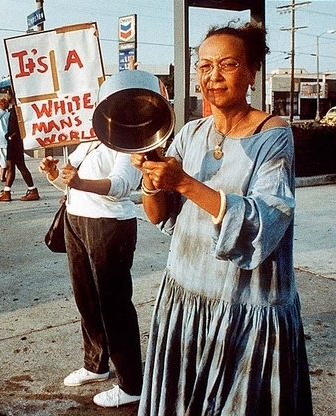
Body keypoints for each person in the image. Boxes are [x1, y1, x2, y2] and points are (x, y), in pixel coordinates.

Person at [130, 23, 313, 415]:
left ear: (251, 72)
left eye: (227, 65)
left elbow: (264, 222)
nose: (213, 77)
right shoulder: (191, 132)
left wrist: (183, 182)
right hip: (186, 295)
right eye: (204, 66)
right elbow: (160, 216)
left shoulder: (274, 135)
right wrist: (151, 180)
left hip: (245, 305)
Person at [38, 141, 143, 408]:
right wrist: (54, 176)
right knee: (86, 299)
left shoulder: (125, 143)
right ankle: (96, 364)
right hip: (75, 220)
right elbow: (71, 187)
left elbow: (120, 186)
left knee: (114, 305)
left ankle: (131, 384)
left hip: (108, 225)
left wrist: (79, 182)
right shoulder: (86, 143)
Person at [0, 90, 40, 202]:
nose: (7, 96)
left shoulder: (16, 110)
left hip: (14, 142)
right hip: (14, 141)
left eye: (9, 94)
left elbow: (19, 127)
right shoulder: (15, 109)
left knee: (17, 166)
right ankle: (8, 191)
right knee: (13, 167)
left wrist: (10, 136)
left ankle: (30, 190)